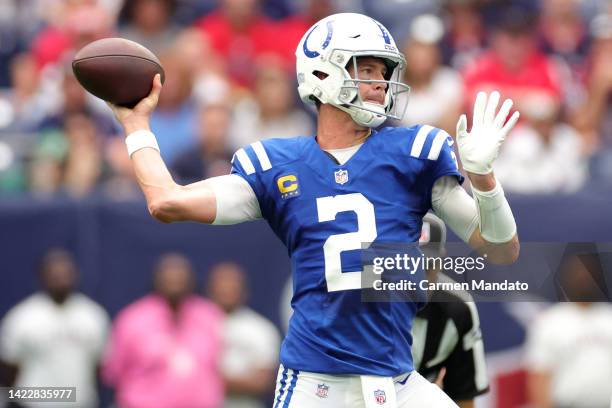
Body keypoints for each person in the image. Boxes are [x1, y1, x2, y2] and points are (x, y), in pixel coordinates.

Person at [107, 12, 519, 407]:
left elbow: (502, 249)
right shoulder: (277, 165)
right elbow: (166, 201)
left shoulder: (413, 154)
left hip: (396, 379)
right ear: (321, 74)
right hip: (313, 383)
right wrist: (136, 125)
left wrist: (483, 180)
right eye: (367, 69)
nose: (380, 83)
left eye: (384, 72)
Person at [102, 253, 224, 408]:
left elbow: (220, 367)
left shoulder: (209, 316)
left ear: (192, 281)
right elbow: (113, 374)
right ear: (156, 280)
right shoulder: (133, 319)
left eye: (180, 278)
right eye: (169, 278)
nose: (175, 282)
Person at [0, 248, 110, 408]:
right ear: (42, 276)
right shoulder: (22, 317)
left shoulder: (92, 315)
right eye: (54, 274)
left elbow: (99, 367)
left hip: (81, 403)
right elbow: (8, 368)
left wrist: (75, 394)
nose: (60, 279)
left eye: (65, 273)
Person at [412, 213, 489, 408]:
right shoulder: (357, 301)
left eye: (426, 267)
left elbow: (464, 397)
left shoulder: (458, 309)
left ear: (440, 262)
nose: (417, 282)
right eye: (409, 267)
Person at [206, 262, 281, 408]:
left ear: (243, 291)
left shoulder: (260, 329)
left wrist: (209, 380)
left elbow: (262, 383)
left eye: (232, 286)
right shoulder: (193, 324)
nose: (226, 290)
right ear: (210, 290)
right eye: (221, 285)